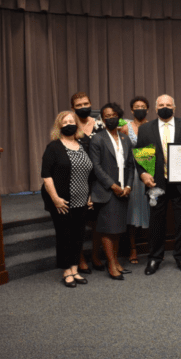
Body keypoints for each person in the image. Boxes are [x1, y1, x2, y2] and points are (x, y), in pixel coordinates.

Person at [135, 94, 181, 275]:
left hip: (180, 181)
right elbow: (139, 156)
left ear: (175, 107)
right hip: (156, 183)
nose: (165, 107)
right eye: (161, 105)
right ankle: (154, 258)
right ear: (155, 109)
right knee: (156, 222)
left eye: (168, 104)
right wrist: (142, 174)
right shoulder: (145, 129)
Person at [41, 111, 94, 288]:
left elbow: (89, 173)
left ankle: (74, 268)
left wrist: (89, 195)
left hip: (81, 200)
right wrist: (55, 199)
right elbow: (46, 176)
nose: (69, 124)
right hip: (62, 201)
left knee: (78, 235)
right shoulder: (54, 147)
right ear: (59, 126)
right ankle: (66, 271)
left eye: (72, 121)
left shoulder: (83, 144)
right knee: (65, 236)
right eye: (65, 122)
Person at [89, 103, 135, 281]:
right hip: (107, 192)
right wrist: (113, 186)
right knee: (108, 230)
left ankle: (115, 261)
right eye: (106, 116)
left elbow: (130, 165)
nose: (110, 118)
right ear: (102, 118)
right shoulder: (98, 139)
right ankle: (111, 264)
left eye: (113, 115)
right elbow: (96, 167)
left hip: (124, 191)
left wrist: (128, 186)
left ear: (119, 116)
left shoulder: (125, 139)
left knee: (117, 230)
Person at [70, 92, 105, 274]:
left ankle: (96, 255)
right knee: (79, 221)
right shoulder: (70, 125)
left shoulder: (100, 124)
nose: (83, 106)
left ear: (91, 104)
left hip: (98, 178)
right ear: (73, 108)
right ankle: (80, 257)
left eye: (86, 103)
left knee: (98, 221)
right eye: (79, 104)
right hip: (78, 180)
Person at [119, 96, 151, 264]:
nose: (140, 108)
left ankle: (152, 247)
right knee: (132, 212)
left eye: (143, 106)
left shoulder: (153, 127)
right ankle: (133, 249)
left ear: (148, 109)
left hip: (150, 173)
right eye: (137, 106)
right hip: (132, 175)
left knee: (152, 210)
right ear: (131, 110)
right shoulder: (125, 128)